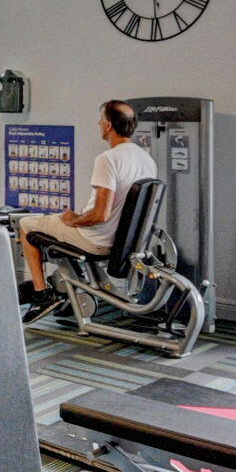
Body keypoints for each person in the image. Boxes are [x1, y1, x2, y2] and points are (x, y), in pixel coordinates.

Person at [16, 100, 159, 322]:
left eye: (101, 120)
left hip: (96, 239)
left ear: (109, 125)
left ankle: (42, 293)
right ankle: (70, 289)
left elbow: (100, 215)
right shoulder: (146, 159)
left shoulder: (108, 159)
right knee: (53, 221)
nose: (99, 124)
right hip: (124, 241)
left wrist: (74, 221)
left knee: (26, 225)